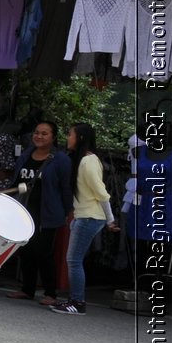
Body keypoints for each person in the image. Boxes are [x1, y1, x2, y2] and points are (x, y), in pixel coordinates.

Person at [51, 122, 117, 316]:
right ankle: (75, 300)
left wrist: (110, 219)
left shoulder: (88, 162)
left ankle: (77, 302)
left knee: (73, 260)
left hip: (89, 217)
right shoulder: (86, 160)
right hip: (86, 216)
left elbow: (102, 193)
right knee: (74, 259)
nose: (67, 138)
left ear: (79, 138)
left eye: (70, 134)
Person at [7, 119, 71, 304]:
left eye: (44, 133)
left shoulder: (61, 160)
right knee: (25, 249)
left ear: (53, 137)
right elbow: (15, 182)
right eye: (36, 132)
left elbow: (66, 188)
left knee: (43, 252)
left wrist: (69, 211)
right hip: (25, 210)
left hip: (48, 213)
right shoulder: (26, 154)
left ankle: (51, 293)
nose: (39, 136)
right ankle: (27, 289)